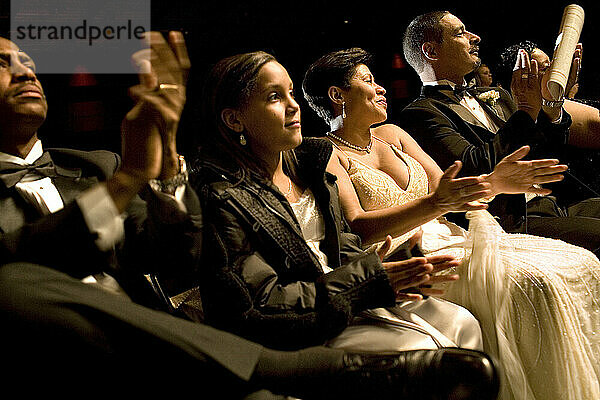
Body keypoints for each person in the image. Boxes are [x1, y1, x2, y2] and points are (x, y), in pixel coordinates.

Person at [0, 34, 500, 400]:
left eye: (28, 60)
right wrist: (130, 179)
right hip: (75, 346)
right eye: (3, 64)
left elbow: (173, 257)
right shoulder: (162, 181)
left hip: (166, 336)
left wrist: (167, 171)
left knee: (460, 322)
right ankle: (288, 372)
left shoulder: (93, 165)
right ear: (234, 120)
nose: (26, 71)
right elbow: (23, 266)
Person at [301, 46, 600, 400]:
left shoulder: (395, 135)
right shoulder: (323, 151)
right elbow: (359, 225)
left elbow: (450, 190)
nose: (381, 88)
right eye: (368, 81)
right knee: (535, 282)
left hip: (450, 234)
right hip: (402, 255)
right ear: (337, 95)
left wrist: (495, 183)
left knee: (581, 262)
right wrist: (434, 204)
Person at [190, 50, 493, 361]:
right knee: (425, 352)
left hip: (346, 297)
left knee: (463, 323)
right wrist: (368, 281)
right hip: (299, 325)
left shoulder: (311, 163)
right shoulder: (223, 197)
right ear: (234, 119)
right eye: (273, 97)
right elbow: (263, 303)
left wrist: (396, 264)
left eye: (291, 93)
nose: (294, 106)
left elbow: (343, 246)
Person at [398, 11, 600, 256]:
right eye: (460, 33)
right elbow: (472, 167)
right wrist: (525, 111)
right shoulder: (421, 112)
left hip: (556, 203)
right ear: (431, 51)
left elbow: (550, 151)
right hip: (511, 221)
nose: (476, 37)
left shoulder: (498, 97)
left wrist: (553, 102)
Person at [495, 41, 600, 202]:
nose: (555, 71)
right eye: (545, 68)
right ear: (520, 79)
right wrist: (554, 103)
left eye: (552, 64)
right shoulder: (522, 120)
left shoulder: (555, 109)